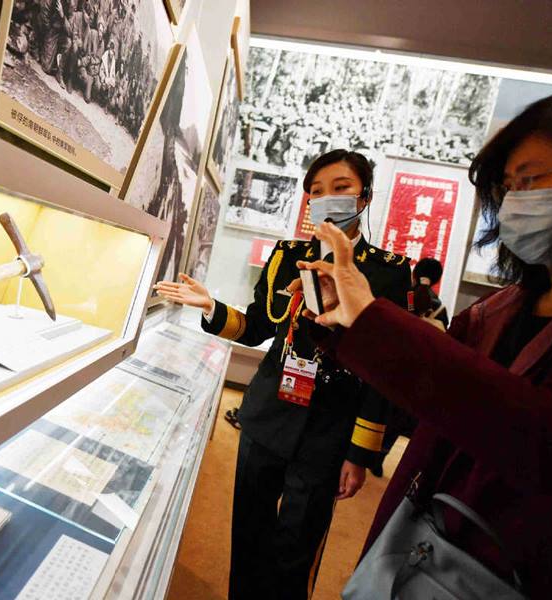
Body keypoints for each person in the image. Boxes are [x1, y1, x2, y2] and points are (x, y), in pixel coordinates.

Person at [297, 84, 552, 599]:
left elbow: (546, 436)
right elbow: (431, 404)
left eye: (533, 181)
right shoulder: (498, 308)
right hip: (416, 540)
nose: (517, 201)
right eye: (509, 186)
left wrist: (359, 447)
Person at [155, 149, 411, 600]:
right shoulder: (286, 255)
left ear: (365, 198)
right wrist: (211, 305)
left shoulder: (388, 273)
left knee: (297, 547)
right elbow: (257, 328)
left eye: (341, 188)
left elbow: (385, 373)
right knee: (249, 535)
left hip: (329, 431)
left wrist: (360, 452)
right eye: (316, 191)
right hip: (267, 416)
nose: (326, 199)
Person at [370, 257, 448, 477]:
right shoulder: (440, 308)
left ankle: (362, 454)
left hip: (388, 366)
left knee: (376, 408)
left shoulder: (401, 295)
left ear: (414, 274)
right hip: (415, 374)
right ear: (436, 280)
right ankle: (380, 458)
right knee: (398, 418)